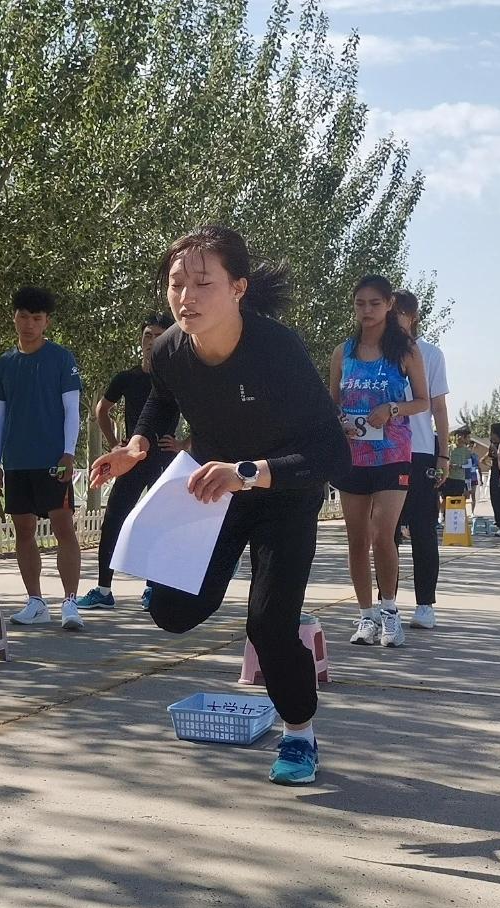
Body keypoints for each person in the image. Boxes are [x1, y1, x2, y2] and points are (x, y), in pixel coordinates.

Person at [92, 225, 350, 786]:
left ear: (237, 288)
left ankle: (300, 735)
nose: (186, 296)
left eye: (203, 283)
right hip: (214, 489)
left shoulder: (276, 348)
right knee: (173, 613)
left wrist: (249, 473)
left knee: (269, 624)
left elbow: (330, 451)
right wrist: (136, 447)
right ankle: (181, 582)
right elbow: (161, 404)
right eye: (176, 283)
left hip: (284, 492)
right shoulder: (167, 352)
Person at [330, 275, 429, 648]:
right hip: (353, 455)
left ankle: (390, 613)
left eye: (375, 303)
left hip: (392, 453)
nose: (367, 310)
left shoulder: (405, 351)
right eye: (360, 303)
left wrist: (392, 408)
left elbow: (423, 401)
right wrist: (339, 421)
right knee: (356, 538)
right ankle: (365, 617)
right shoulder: (344, 352)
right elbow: (332, 402)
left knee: (381, 534)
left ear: (389, 305)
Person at [0, 285, 85, 631]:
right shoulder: (4, 364)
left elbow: (72, 410)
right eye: (23, 316)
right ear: (14, 317)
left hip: (53, 459)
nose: (29, 324)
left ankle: (70, 603)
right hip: (16, 460)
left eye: (36, 318)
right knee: (24, 530)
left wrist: (69, 453)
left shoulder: (62, 359)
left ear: (46, 322)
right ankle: (35, 601)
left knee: (63, 527)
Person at [75, 313, 181, 613]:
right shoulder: (128, 377)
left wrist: (184, 444)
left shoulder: (177, 379)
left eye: (159, 336)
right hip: (132, 459)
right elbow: (102, 410)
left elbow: (204, 414)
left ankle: (153, 589)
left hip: (162, 458)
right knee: (114, 519)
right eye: (148, 335)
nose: (152, 341)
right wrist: (115, 444)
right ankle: (104, 589)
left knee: (156, 524)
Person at [392, 291, 450, 630]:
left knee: (423, 530)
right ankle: (388, 603)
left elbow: (439, 407)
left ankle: (425, 603)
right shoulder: (375, 353)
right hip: (384, 453)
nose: (392, 317)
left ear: (412, 317)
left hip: (420, 452)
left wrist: (443, 454)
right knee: (386, 533)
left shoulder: (430, 354)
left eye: (399, 312)